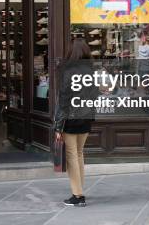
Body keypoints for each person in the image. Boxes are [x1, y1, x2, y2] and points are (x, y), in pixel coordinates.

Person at [53, 38, 98, 207]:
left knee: (72, 155)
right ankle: (79, 190)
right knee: (79, 153)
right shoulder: (91, 70)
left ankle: (77, 195)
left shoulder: (67, 71)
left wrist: (58, 125)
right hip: (85, 117)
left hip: (70, 119)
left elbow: (64, 99)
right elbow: (95, 96)